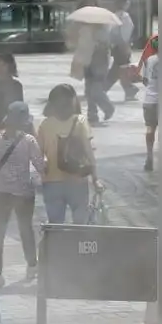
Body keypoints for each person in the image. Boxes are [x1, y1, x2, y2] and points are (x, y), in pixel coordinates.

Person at [0, 102, 46, 290]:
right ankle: (31, 266)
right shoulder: (29, 141)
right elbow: (41, 166)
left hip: (0, 192)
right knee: (25, 229)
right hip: (23, 193)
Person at [37, 84, 104, 225]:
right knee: (80, 225)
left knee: (55, 225)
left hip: (51, 182)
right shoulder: (80, 121)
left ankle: (57, 247)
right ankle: (75, 247)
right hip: (77, 180)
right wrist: (95, 179)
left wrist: (41, 170)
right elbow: (89, 152)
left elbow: (39, 155)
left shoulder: (45, 124)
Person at [141, 49, 159, 171]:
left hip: (150, 99)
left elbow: (145, 80)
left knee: (150, 128)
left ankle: (149, 157)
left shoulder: (148, 60)